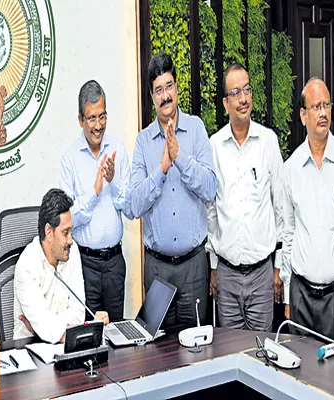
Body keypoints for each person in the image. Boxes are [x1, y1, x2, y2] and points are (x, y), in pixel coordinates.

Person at [128, 52, 216, 331]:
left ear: (177, 88)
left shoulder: (197, 129)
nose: (165, 95)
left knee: (197, 353)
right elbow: (133, 205)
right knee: (157, 354)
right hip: (157, 270)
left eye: (169, 86)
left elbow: (211, 188)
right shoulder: (143, 142)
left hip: (193, 267)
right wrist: (162, 169)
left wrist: (181, 159)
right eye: (158, 90)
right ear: (152, 97)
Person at [281, 77, 334, 344]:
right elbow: (288, 233)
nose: (323, 112)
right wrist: (287, 295)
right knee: (299, 376)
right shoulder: (291, 168)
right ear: (303, 116)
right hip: (301, 297)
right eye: (315, 106)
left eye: (326, 105)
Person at [206, 64, 285, 331]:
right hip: (227, 275)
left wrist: (279, 267)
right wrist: (214, 267)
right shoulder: (214, 147)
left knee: (262, 355)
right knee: (230, 355)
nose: (244, 98)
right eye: (236, 92)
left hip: (262, 274)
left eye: (247, 90)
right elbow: (211, 211)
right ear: (225, 102)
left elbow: (280, 207)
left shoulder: (268, 142)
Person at [60, 80, 132, 322]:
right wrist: (95, 190)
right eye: (91, 118)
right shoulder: (69, 159)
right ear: (81, 120)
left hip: (114, 264)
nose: (98, 125)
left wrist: (113, 180)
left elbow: (130, 207)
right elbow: (68, 218)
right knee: (88, 336)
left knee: (117, 337)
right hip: (84, 265)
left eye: (102, 116)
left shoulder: (118, 150)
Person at [13, 188, 108, 344]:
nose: (71, 240)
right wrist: (50, 330)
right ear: (49, 232)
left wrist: (51, 329)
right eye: (65, 232)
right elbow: (45, 328)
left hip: (66, 346)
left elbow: (78, 312)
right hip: (31, 348)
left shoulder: (72, 251)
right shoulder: (26, 266)